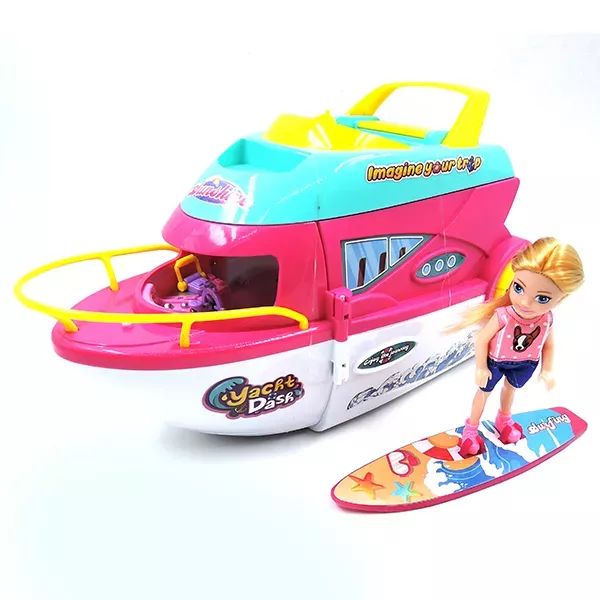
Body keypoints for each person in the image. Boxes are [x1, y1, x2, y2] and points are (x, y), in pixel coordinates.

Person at [456, 237, 584, 456]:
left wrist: (547, 369)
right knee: (484, 392)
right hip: (495, 361)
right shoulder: (503, 315)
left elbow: (549, 345)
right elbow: (482, 339)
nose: (525, 302)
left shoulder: (547, 319)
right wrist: (481, 367)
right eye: (518, 288)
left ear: (561, 299)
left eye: (542, 298)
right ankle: (471, 430)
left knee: (510, 389)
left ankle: (504, 420)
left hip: (525, 363)